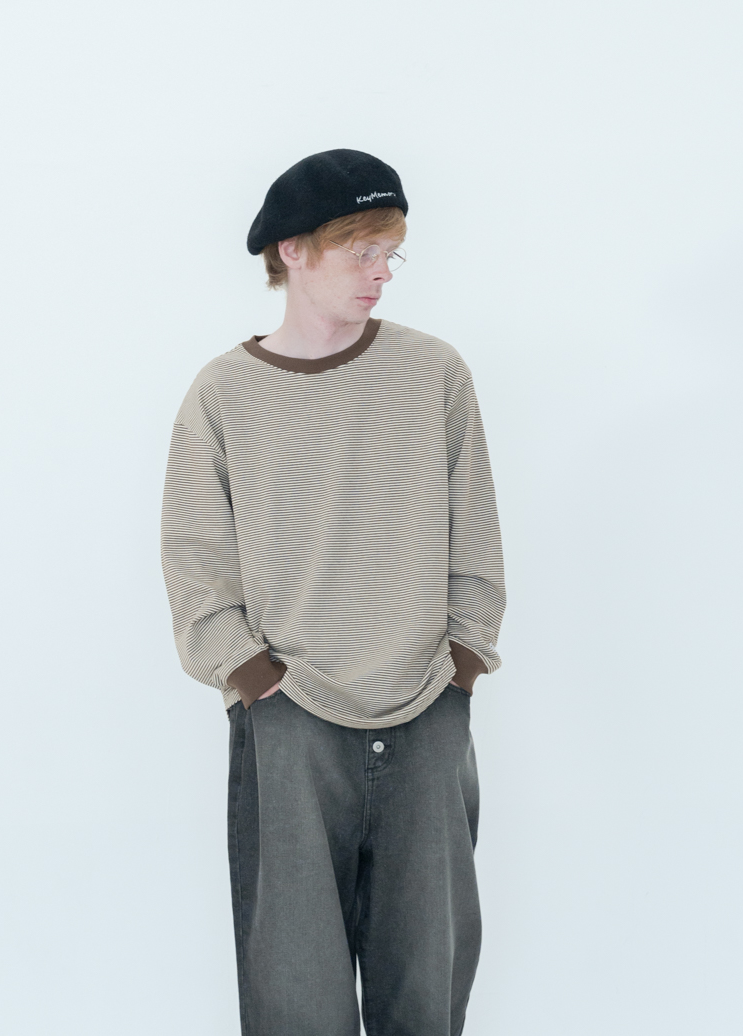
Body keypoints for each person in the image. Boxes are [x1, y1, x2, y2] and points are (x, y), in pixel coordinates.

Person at [160, 148, 506, 1036]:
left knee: (425, 987)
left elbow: (474, 530)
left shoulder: (433, 373)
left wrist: (462, 661)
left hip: (426, 704)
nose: (382, 271)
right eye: (361, 250)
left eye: (390, 251)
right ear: (293, 250)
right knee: (295, 996)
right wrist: (251, 676)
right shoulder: (223, 394)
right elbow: (196, 558)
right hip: (289, 717)